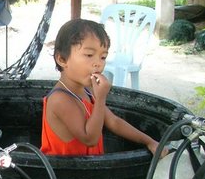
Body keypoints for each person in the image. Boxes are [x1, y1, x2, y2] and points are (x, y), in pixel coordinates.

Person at [41, 18, 165, 157]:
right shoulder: (60, 99)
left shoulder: (86, 91)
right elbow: (89, 138)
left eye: (103, 57)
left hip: (87, 172)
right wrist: (100, 99)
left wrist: (149, 141)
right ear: (62, 59)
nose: (98, 64)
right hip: (62, 174)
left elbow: (114, 122)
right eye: (89, 55)